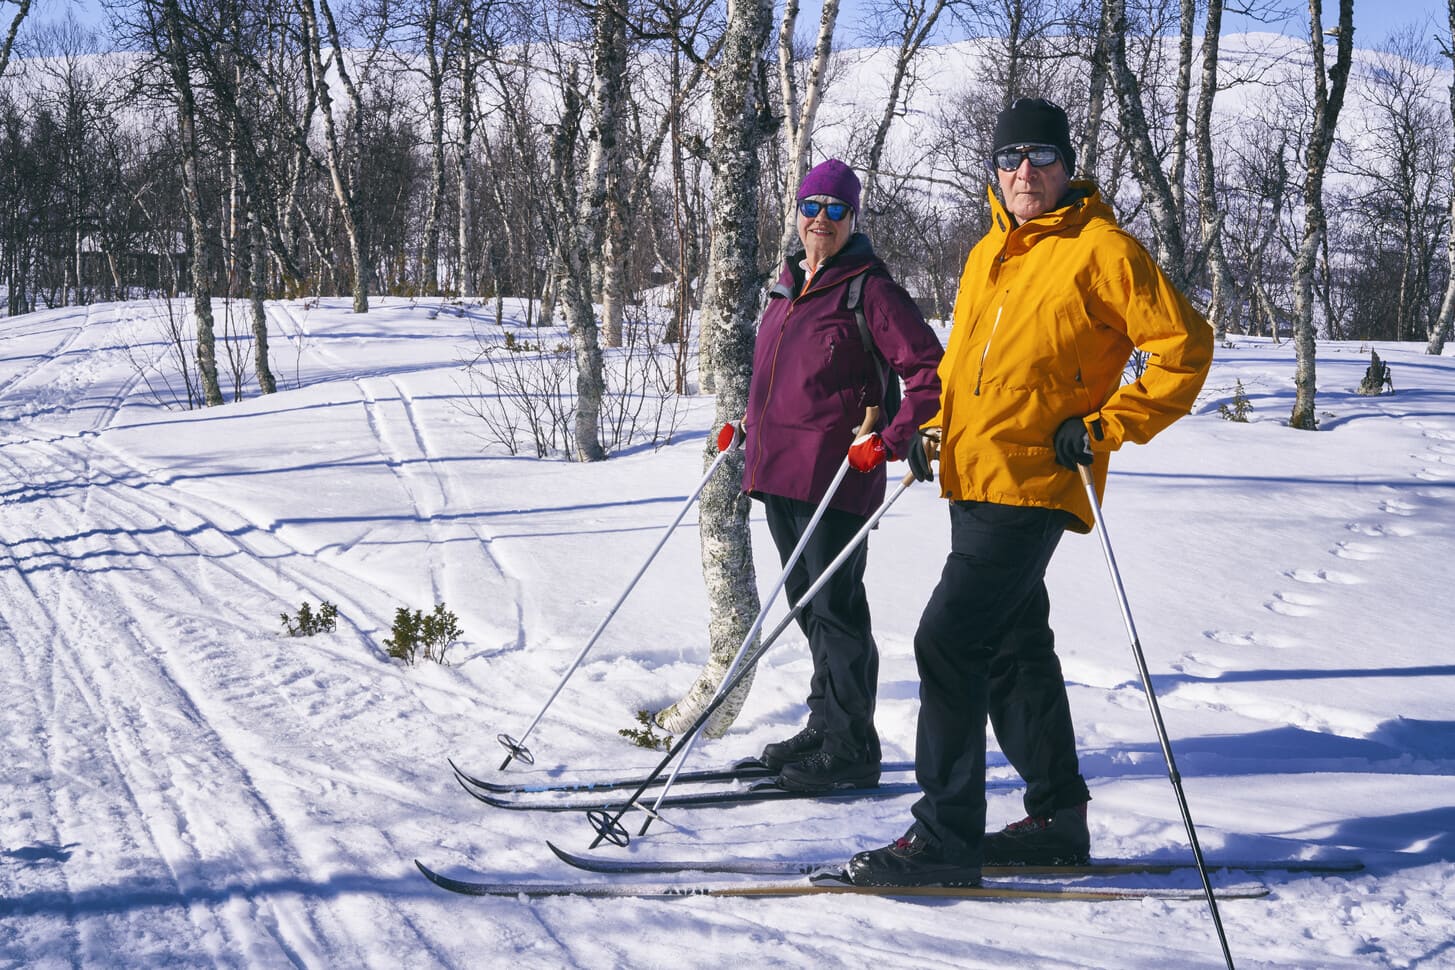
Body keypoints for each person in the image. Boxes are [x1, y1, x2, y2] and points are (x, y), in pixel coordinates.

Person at [844, 98, 1214, 885]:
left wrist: (1109, 424)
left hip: (1037, 479)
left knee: (947, 639)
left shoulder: (1101, 248)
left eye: (1040, 156)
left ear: (1067, 164)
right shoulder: (987, 253)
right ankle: (1054, 817)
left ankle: (944, 836)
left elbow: (1184, 347)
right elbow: (964, 372)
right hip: (973, 478)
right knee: (1014, 650)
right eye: (1009, 157)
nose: (1023, 172)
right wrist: (932, 431)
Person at [740, 158, 944, 793]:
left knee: (837, 609)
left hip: (835, 478)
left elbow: (931, 376)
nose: (820, 219)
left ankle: (852, 745)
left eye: (835, 209)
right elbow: (783, 380)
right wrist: (747, 427)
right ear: (796, 213)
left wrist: (890, 441)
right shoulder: (785, 286)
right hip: (777, 473)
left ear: (852, 218)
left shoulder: (870, 290)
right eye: (811, 206)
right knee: (808, 607)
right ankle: (825, 724)